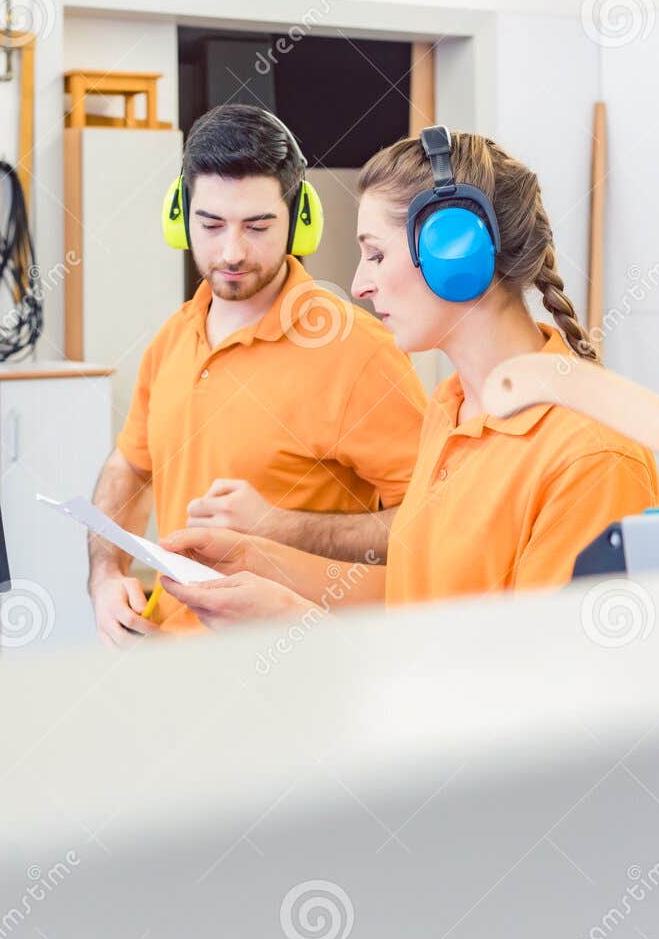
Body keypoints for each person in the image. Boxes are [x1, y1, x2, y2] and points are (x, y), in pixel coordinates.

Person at [158, 127, 659, 627]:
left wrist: (298, 623)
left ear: (455, 252)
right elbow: (413, 597)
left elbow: (541, 680)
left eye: (376, 254)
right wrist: (259, 562)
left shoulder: (591, 457)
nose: (360, 284)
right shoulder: (452, 409)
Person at [87, 104, 427, 644]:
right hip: (169, 652)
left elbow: (430, 528)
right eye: (212, 224)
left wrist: (278, 526)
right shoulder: (173, 339)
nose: (232, 251)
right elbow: (131, 464)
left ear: (299, 219)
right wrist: (107, 575)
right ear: (180, 218)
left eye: (258, 226)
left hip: (295, 665)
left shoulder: (358, 352)